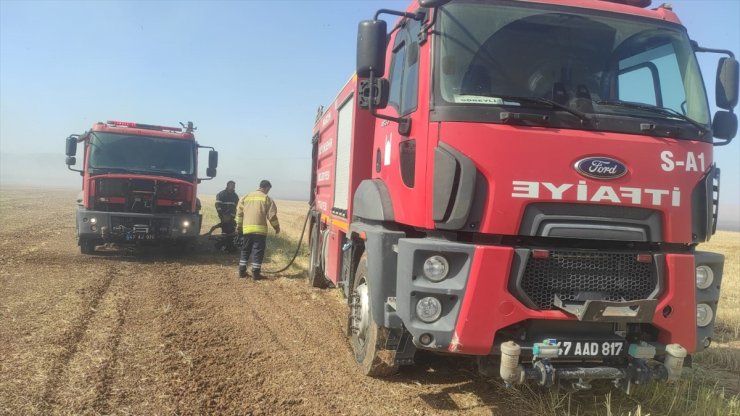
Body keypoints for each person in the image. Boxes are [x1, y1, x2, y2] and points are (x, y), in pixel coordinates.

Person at [235, 180, 280, 279]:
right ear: (267, 187)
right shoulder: (266, 198)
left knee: (245, 250)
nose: (268, 191)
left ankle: (241, 271)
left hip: (246, 230)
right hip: (260, 232)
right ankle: (255, 273)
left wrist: (239, 227)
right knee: (258, 251)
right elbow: (272, 216)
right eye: (269, 189)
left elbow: (239, 214)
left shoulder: (246, 197)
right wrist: (277, 227)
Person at [208, 181, 239, 251]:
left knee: (231, 232)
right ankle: (223, 243)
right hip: (224, 217)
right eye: (232, 185)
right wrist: (222, 215)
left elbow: (236, 207)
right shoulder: (221, 194)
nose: (233, 187)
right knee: (225, 231)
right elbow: (217, 205)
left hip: (231, 218)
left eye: (234, 186)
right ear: (227, 186)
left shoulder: (235, 196)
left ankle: (228, 244)